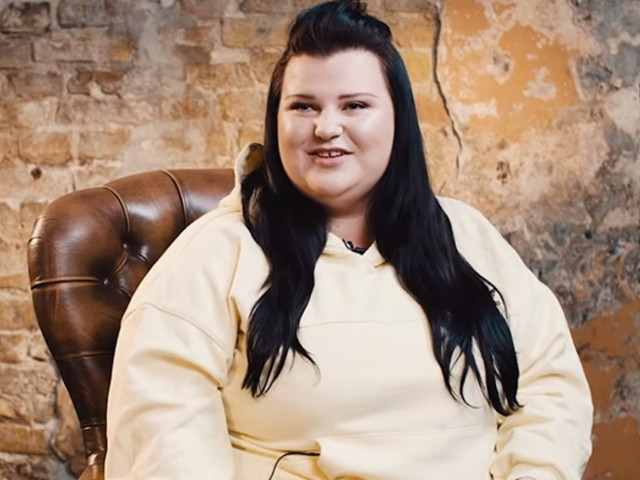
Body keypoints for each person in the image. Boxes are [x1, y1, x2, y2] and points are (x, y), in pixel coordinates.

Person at [104, 1, 593, 479]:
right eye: (303, 106)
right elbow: (163, 437)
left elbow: (550, 387)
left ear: (398, 119)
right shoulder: (215, 255)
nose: (326, 128)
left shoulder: (467, 236)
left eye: (354, 105)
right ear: (276, 121)